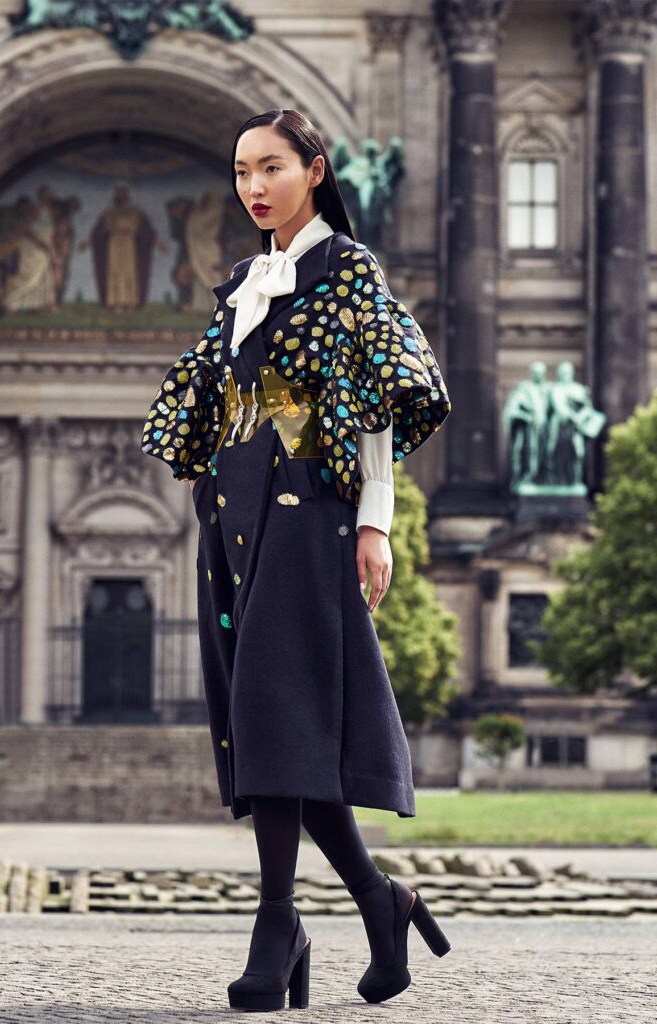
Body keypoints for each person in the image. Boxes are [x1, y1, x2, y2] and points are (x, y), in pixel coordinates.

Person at [140, 108, 452, 1011]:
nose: (253, 186)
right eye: (241, 171)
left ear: (313, 170)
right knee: (273, 726)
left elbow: (376, 401)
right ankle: (377, 901)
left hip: (310, 509)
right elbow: (217, 401)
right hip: (234, 518)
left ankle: (278, 921)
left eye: (270, 167)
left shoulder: (347, 268)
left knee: (279, 715)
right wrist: (207, 492)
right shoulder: (243, 281)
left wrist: (376, 522)